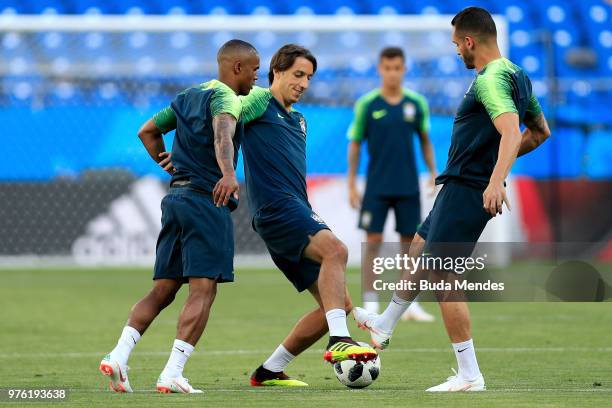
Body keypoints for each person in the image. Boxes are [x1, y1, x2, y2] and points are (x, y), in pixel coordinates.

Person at [354, 7, 551, 392]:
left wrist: (494, 180)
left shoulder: (490, 80)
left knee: (445, 276)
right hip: (460, 185)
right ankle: (385, 323)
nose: (456, 53)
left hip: (467, 188)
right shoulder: (517, 74)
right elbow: (540, 131)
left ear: (469, 41)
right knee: (419, 246)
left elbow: (512, 133)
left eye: (456, 46)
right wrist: (493, 172)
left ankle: (469, 374)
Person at [98, 39, 260, 394]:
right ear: (236, 68)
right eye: (254, 69)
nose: (256, 76)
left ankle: (118, 355)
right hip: (206, 199)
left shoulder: (188, 95)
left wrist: (163, 160)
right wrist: (228, 173)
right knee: (204, 289)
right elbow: (223, 133)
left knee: (163, 288)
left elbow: (147, 131)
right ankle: (173, 372)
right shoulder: (226, 97)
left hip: (176, 197)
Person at [237, 44, 377, 387]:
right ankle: (339, 341)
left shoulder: (299, 120)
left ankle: (269, 371)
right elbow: (223, 118)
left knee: (337, 305)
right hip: (277, 210)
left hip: (293, 209)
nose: (304, 83)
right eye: (298, 74)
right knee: (337, 251)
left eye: (309, 77)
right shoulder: (257, 103)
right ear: (276, 71)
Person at [347, 46, 437, 322]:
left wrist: (433, 172)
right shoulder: (367, 104)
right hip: (376, 185)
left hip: (408, 184)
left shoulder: (416, 103)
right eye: (387, 68)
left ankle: (408, 305)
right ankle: (371, 302)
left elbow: (424, 140)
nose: (392, 73)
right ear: (379, 69)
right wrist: (351, 183)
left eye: (397, 68)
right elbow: (355, 143)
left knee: (410, 245)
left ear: (404, 69)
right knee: (372, 241)